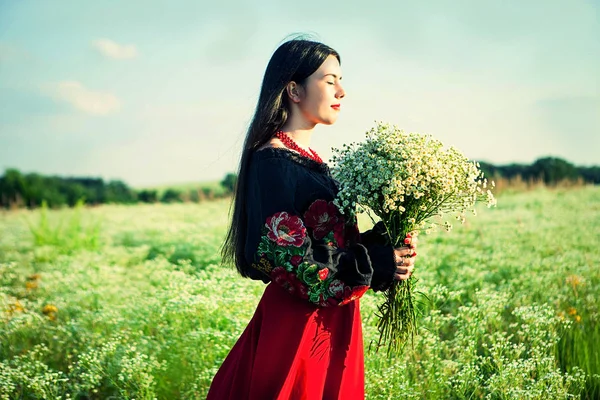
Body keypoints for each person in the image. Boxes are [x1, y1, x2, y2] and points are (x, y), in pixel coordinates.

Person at [207, 38, 417, 400]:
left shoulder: (307, 159)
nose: (342, 91)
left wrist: (389, 242)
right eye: (329, 80)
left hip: (330, 321)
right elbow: (296, 265)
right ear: (294, 90)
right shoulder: (273, 162)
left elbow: (332, 247)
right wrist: (377, 263)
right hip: (298, 328)